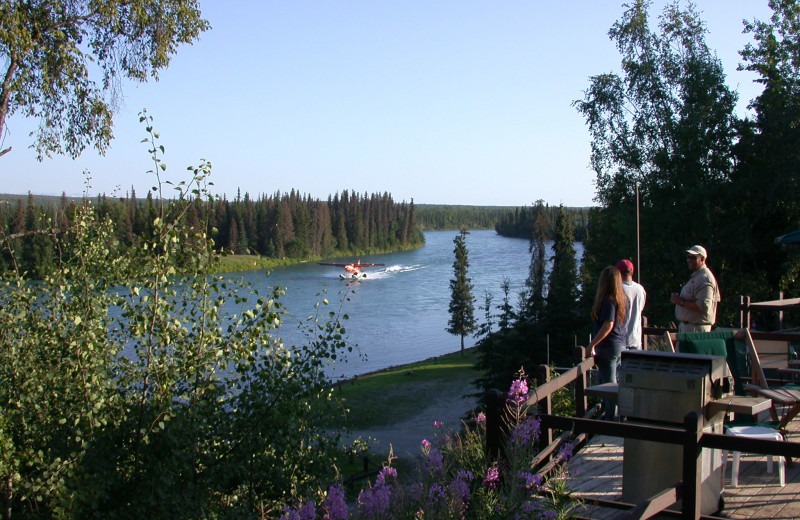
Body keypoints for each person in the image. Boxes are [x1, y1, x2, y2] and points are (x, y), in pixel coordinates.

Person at [588, 266, 627, 420]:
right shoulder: (621, 299)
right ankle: (615, 417)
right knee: (611, 382)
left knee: (610, 387)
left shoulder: (609, 300)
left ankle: (611, 421)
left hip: (608, 347)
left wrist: (592, 345)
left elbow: (608, 324)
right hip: (620, 344)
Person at [669, 245, 721, 332]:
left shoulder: (704, 278)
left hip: (696, 329)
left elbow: (703, 305)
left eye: (693, 257)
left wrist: (681, 302)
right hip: (689, 327)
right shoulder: (697, 276)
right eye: (688, 257)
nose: (689, 260)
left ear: (702, 259)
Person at [616, 259, 646, 350]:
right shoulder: (640, 289)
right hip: (635, 339)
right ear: (632, 271)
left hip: (620, 339)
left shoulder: (617, 289)